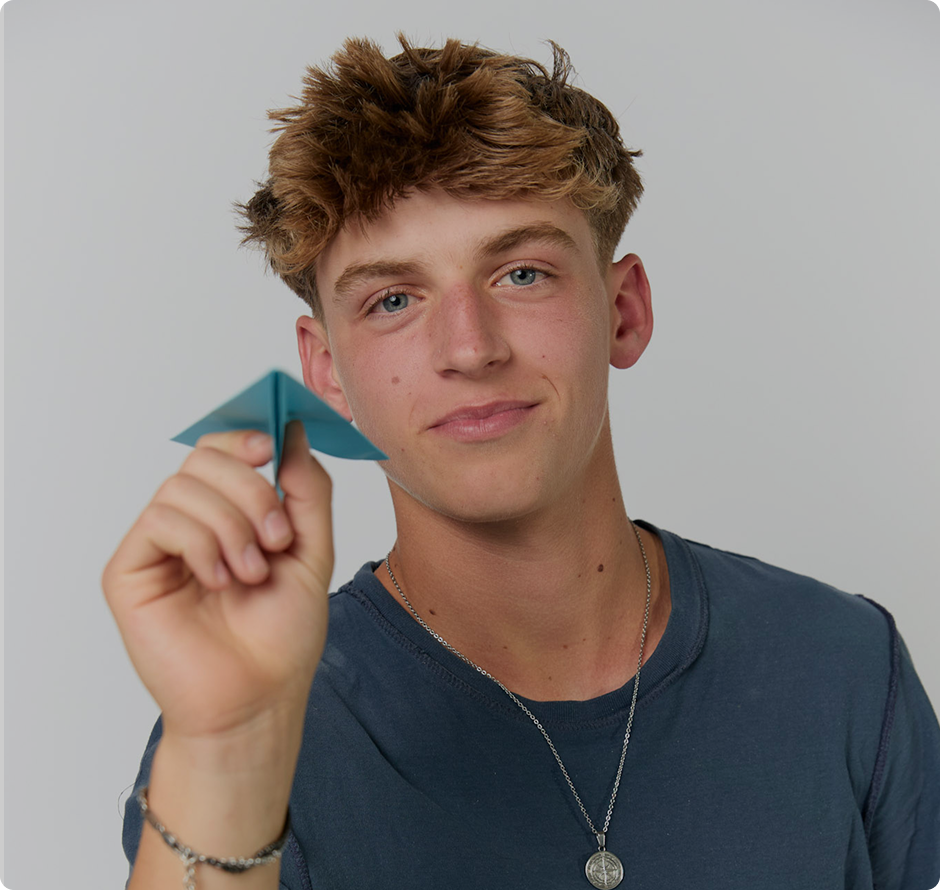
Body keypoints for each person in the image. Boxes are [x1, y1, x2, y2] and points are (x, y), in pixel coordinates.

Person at [104, 36, 939, 890]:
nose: (468, 347)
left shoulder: (842, 667)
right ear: (326, 373)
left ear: (623, 311)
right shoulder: (248, 716)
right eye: (393, 300)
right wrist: (226, 748)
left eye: (523, 274)